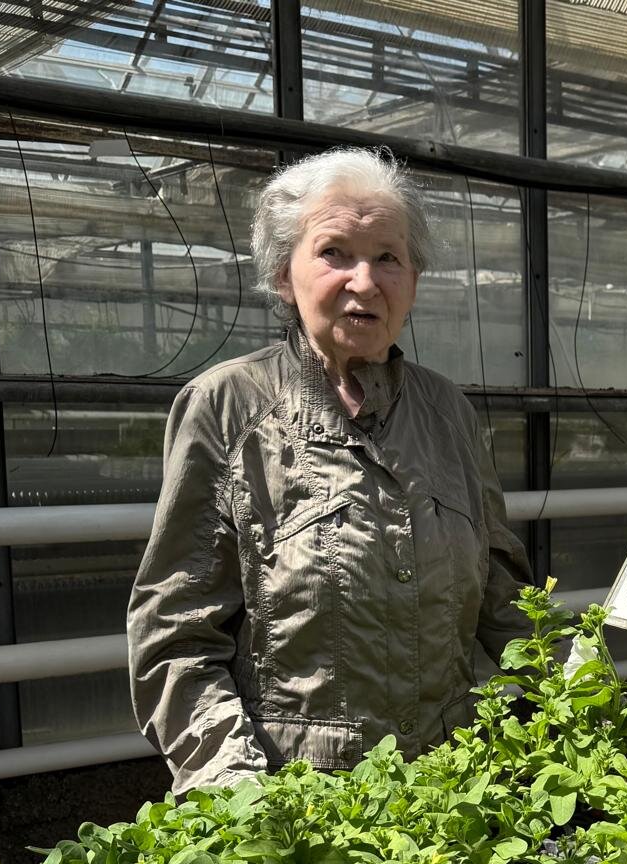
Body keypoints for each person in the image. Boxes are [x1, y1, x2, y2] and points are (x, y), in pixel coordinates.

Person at [127, 146, 532, 795]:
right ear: (283, 275)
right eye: (334, 252)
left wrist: (591, 699)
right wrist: (240, 795)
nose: (364, 282)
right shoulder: (229, 408)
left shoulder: (446, 412)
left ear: (413, 281)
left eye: (388, 258)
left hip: (449, 795)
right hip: (297, 804)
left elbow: (506, 603)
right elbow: (177, 639)